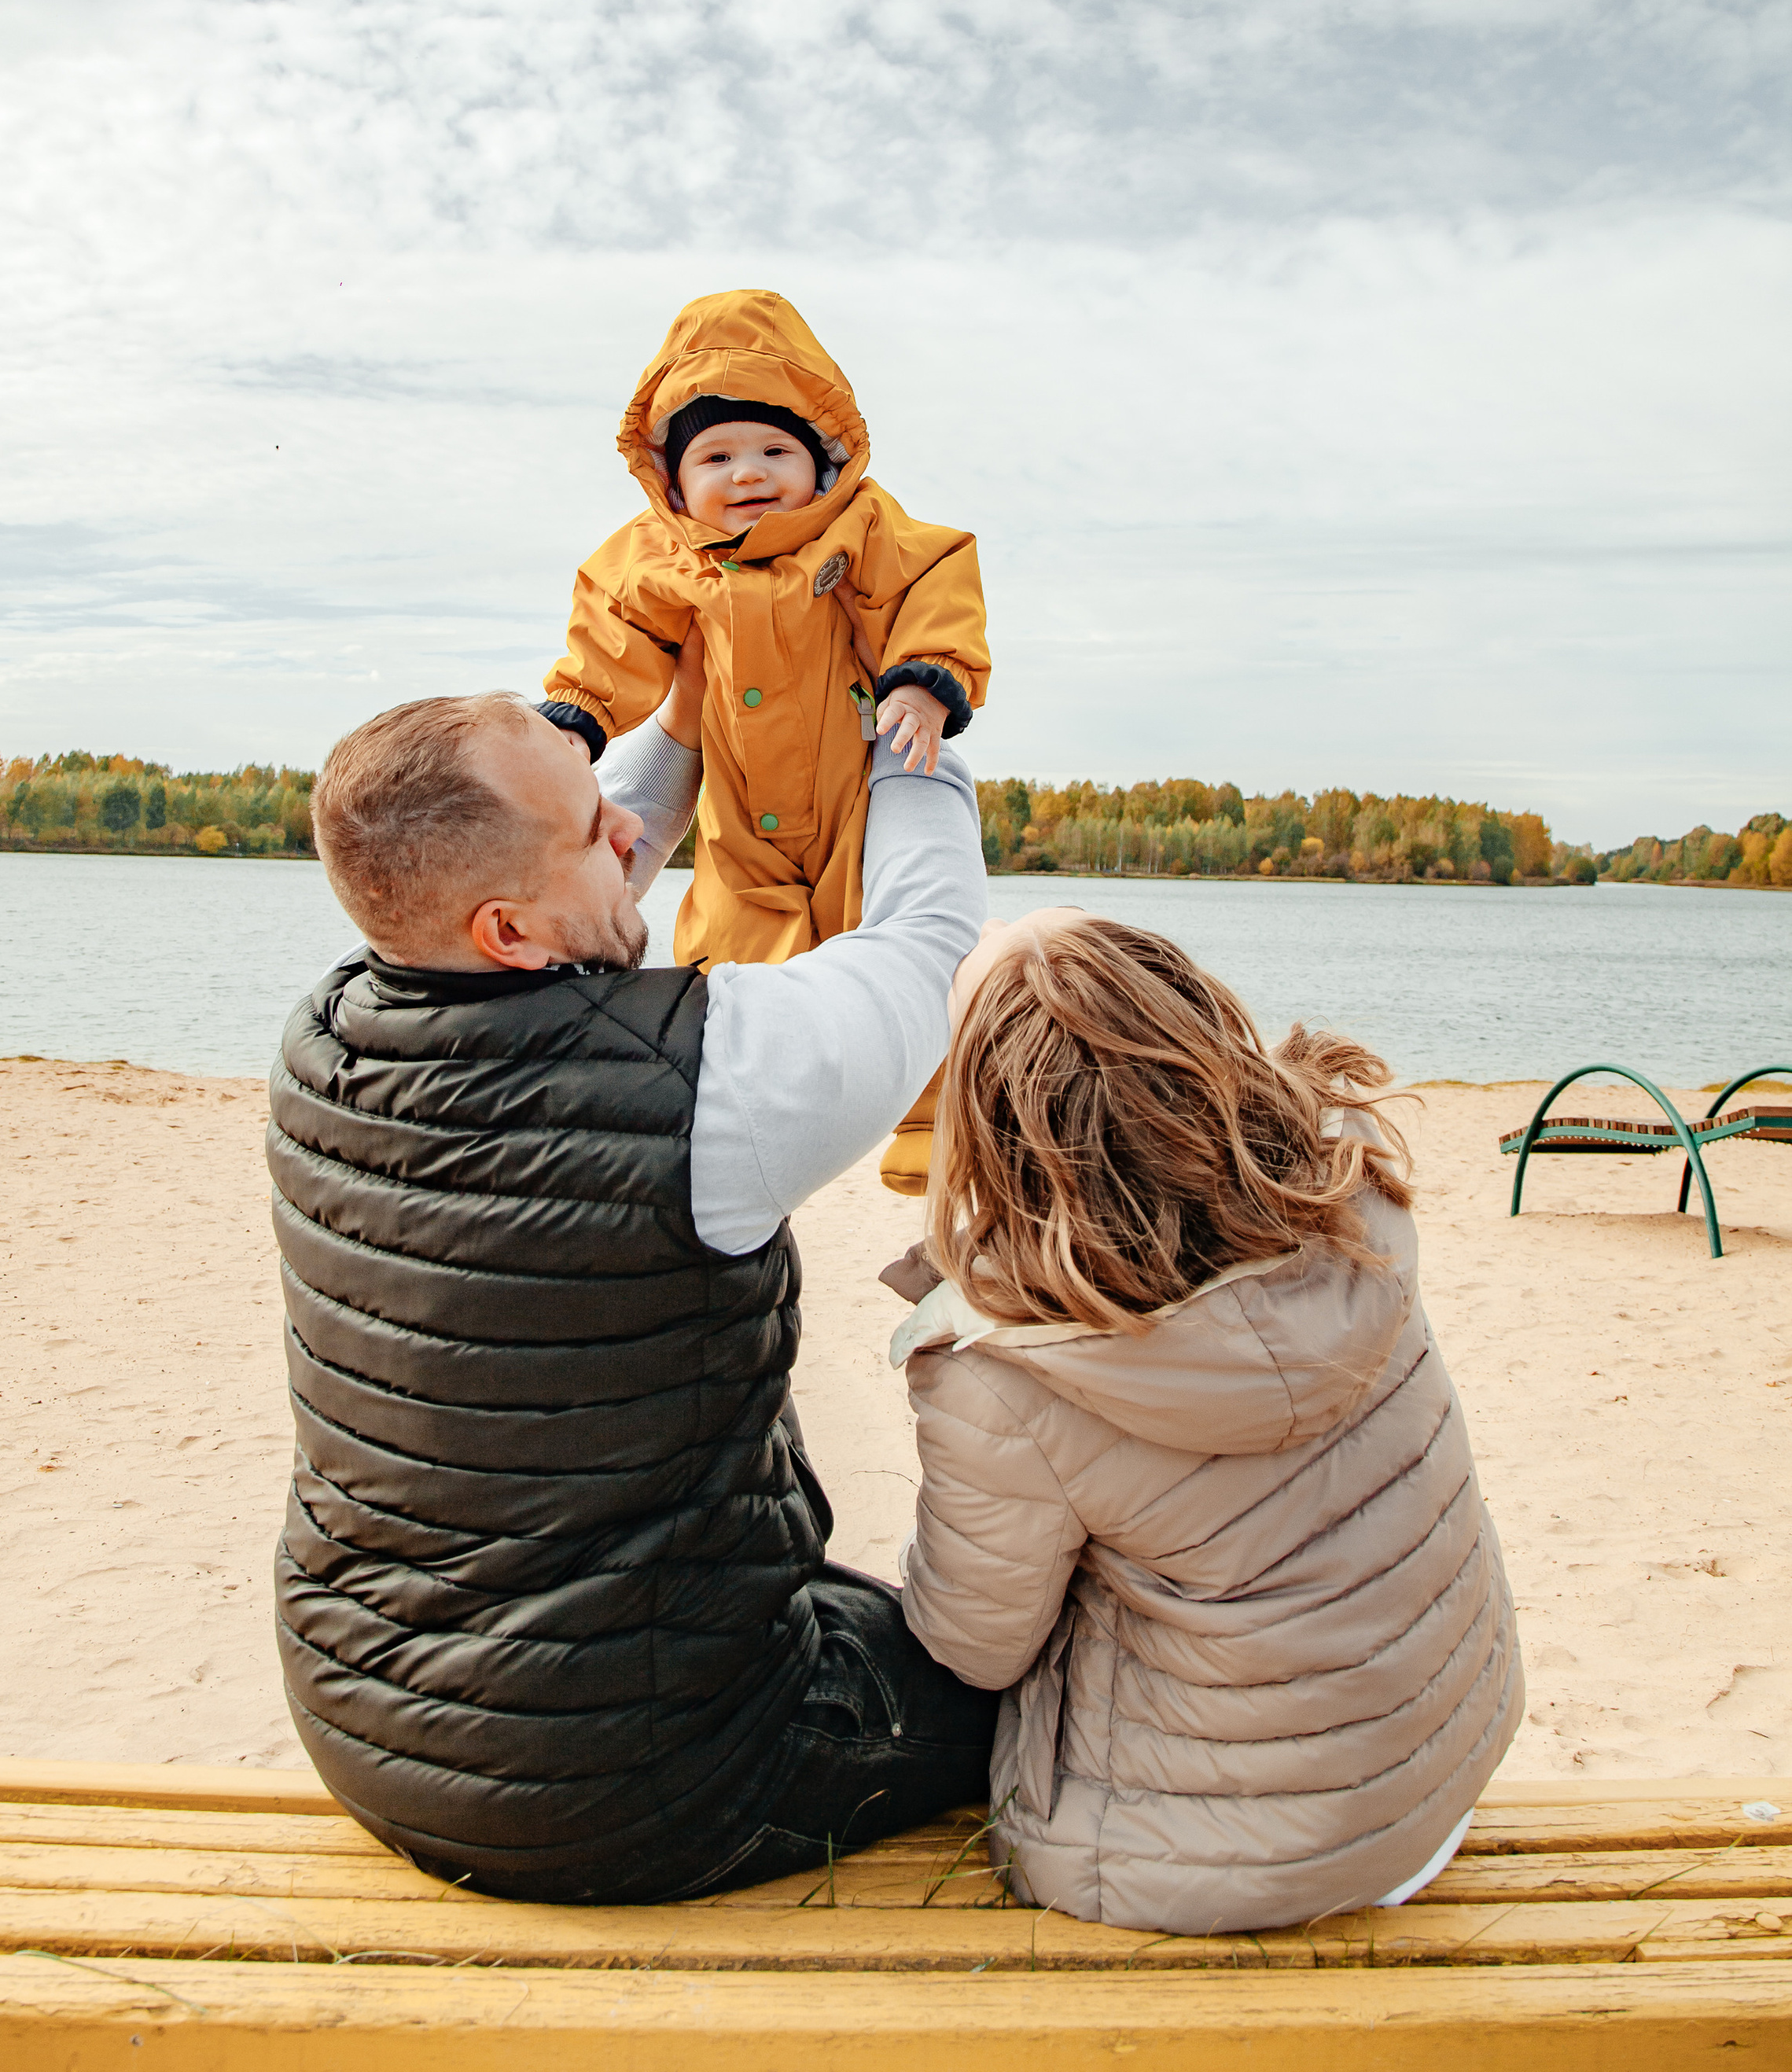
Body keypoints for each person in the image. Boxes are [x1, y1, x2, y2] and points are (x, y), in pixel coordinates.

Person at [268, 631, 999, 1905]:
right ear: (509, 928)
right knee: (1022, 1666)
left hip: (368, 1718)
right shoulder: (711, 1079)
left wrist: (704, 701)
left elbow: (592, 866)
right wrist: (915, 743)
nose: (628, 836)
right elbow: (931, 938)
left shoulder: (329, 1037)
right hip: (644, 1782)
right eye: (592, 829)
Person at [889, 910, 1525, 1935]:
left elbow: (975, 1648)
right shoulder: (1352, 1199)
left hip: (1211, 1858)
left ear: (994, 1122)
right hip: (1434, 1777)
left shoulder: (1009, 1376)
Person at [538, 284, 991, 1194]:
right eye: (717, 454)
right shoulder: (655, 555)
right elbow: (612, 634)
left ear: (822, 460)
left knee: (907, 955)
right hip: (737, 823)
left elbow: (933, 585)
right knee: (729, 967)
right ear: (671, 477)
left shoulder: (862, 527)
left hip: (854, 793)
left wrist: (925, 681)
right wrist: (577, 717)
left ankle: (929, 1129)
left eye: (775, 449)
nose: (748, 473)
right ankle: (726, 1121)